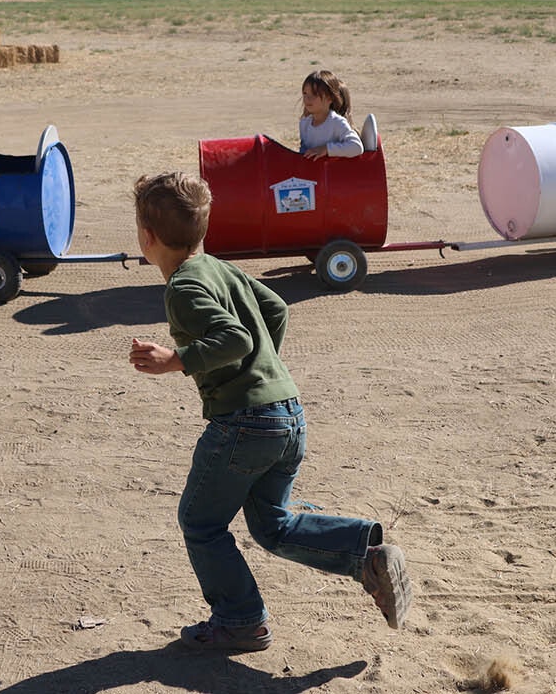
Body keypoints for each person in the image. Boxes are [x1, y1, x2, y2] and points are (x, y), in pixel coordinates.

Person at [127, 171, 412, 652]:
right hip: (287, 412)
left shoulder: (183, 286)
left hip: (244, 424)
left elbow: (235, 339)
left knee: (201, 524)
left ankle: (240, 621)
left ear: (145, 237)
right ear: (203, 229)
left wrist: (177, 361)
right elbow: (276, 309)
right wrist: (263, 372)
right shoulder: (221, 269)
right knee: (272, 524)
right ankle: (366, 554)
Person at [299, 70, 363, 160]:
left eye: (315, 94)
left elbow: (356, 147)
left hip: (334, 172)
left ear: (330, 98)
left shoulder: (336, 122)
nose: (307, 98)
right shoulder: (304, 123)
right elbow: (303, 152)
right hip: (313, 172)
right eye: (305, 93)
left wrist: (326, 149)